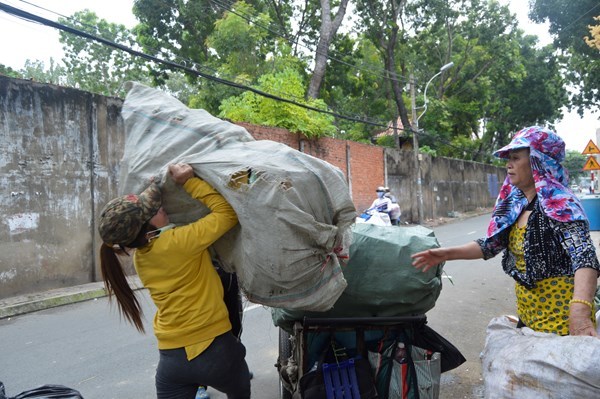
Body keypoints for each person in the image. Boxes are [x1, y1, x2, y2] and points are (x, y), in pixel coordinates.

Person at [411, 126, 600, 336]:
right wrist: (446, 254)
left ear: (539, 161)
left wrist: (581, 311)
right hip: (529, 313)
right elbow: (491, 245)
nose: (509, 165)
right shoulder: (516, 205)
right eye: (508, 158)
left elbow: (585, 258)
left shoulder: (560, 204)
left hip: (562, 318)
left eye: (516, 158)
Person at [98, 163, 251, 398]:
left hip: (172, 361)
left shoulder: (141, 258)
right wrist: (188, 182)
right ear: (146, 230)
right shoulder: (180, 242)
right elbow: (227, 213)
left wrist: (155, 185)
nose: (162, 208)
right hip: (216, 351)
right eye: (155, 209)